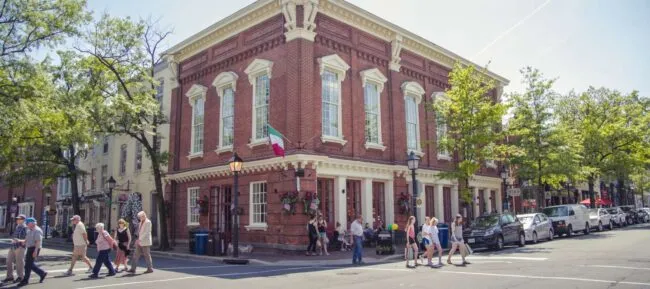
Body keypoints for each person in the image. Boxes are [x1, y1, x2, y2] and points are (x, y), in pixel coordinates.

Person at [17, 218, 47, 286]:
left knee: (27, 265)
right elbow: (26, 240)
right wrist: (19, 241)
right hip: (30, 248)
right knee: (30, 264)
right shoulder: (29, 230)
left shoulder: (37, 230)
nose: (27, 224)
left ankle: (25, 280)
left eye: (27, 223)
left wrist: (35, 251)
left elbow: (38, 242)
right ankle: (42, 273)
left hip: (35, 248)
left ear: (32, 223)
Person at [3, 214, 27, 284]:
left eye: (19, 219)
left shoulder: (25, 228)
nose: (17, 220)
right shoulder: (17, 227)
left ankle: (21, 277)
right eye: (17, 219)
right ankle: (10, 276)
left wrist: (19, 240)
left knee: (19, 262)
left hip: (20, 247)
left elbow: (27, 238)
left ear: (23, 220)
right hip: (13, 246)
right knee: (8, 261)